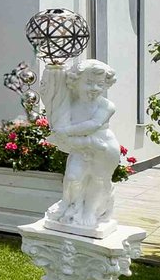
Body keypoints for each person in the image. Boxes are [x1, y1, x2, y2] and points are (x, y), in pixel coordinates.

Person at [42, 59, 121, 233]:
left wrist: (65, 131)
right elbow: (54, 100)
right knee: (72, 177)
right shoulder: (70, 104)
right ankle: (68, 203)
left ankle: (90, 211)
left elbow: (93, 124)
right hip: (81, 147)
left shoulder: (106, 105)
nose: (94, 88)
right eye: (89, 83)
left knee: (98, 179)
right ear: (75, 82)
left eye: (100, 84)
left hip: (104, 149)